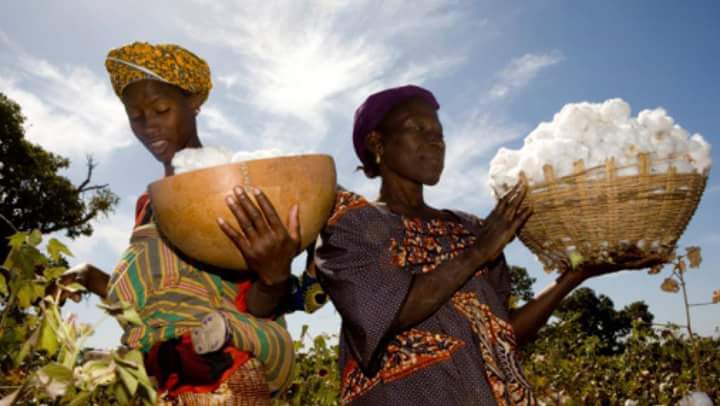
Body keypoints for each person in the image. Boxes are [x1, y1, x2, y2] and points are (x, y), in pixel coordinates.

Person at [313, 85, 665, 405]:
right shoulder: (352, 223)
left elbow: (503, 335)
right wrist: (477, 253)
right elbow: (383, 313)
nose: (435, 142)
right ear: (377, 144)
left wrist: (574, 277)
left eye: (439, 134)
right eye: (417, 129)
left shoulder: (469, 227)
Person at [97, 41, 326, 404]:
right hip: (160, 380)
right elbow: (155, 301)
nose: (148, 125)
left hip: (221, 381)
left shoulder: (228, 185)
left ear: (194, 102)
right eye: (135, 115)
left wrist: (274, 278)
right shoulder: (149, 206)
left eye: (160, 108)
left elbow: (255, 304)